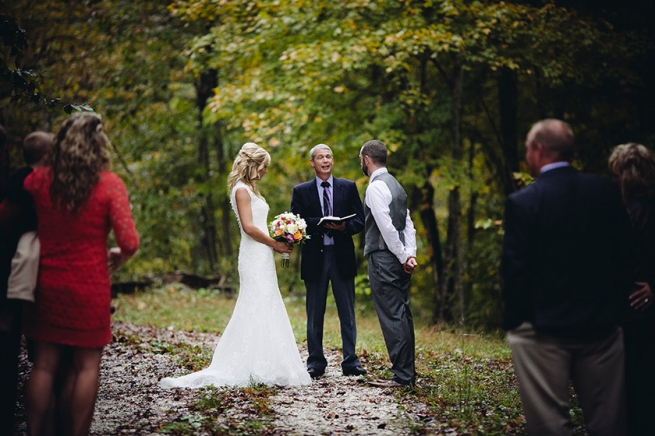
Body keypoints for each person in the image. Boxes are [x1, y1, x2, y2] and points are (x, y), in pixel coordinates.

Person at [502, 119, 632, 436]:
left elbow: (514, 270)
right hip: (602, 327)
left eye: (528, 149)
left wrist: (516, 322)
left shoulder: (524, 202)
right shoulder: (606, 191)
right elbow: (624, 255)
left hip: (542, 330)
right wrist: (616, 312)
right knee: (609, 423)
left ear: (539, 150)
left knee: (549, 424)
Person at [22, 113, 139, 436]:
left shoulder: (38, 182)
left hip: (45, 283)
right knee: (87, 366)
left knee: (43, 365)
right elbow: (129, 241)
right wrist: (119, 255)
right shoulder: (109, 184)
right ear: (98, 145)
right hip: (89, 286)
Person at [160, 142, 311, 388]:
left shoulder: (252, 189)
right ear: (253, 165)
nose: (265, 172)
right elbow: (249, 228)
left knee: (267, 301)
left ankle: (269, 363)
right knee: (256, 302)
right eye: (264, 167)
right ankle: (250, 364)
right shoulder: (241, 190)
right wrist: (275, 244)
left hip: (262, 253)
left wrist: (282, 233)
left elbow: (258, 224)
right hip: (253, 254)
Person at [290, 144, 366, 379]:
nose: (325, 160)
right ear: (312, 163)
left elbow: (360, 221)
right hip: (315, 259)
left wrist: (344, 227)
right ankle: (315, 362)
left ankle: (351, 362)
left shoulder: (348, 187)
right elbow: (296, 223)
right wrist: (319, 222)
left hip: (341, 257)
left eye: (329, 156)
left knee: (347, 313)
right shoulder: (301, 191)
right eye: (320, 157)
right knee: (315, 313)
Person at [0, 131, 52, 436]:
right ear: (47, 156)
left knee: (14, 353)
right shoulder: (34, 186)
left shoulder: (12, 183)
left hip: (13, 278)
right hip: (28, 276)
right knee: (41, 357)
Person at [359, 139, 417, 388]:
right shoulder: (396, 186)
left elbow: (387, 228)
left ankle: (403, 376)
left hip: (384, 259)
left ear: (367, 160)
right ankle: (406, 373)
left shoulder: (374, 188)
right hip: (400, 258)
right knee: (402, 314)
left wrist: (403, 256)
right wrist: (410, 254)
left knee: (393, 315)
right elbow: (408, 224)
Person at [608, 143, 655, 436]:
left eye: (616, 174)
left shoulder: (639, 211)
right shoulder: (614, 209)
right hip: (621, 316)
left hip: (639, 318)